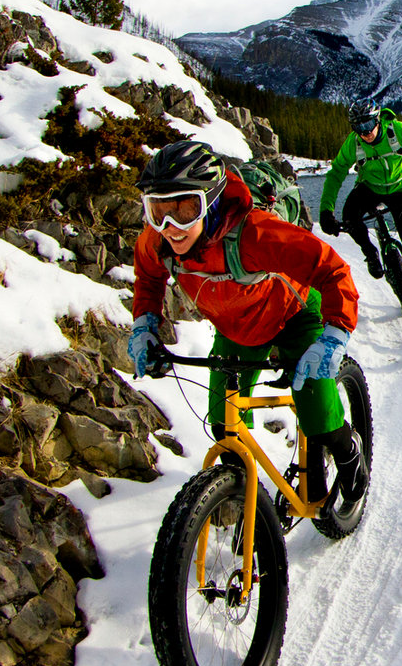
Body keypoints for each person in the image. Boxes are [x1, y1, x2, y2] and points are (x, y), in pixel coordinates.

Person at [127, 139, 366, 510]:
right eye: (158, 211)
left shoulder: (255, 233)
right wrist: (144, 324)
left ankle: (348, 451)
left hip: (294, 315)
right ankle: (255, 511)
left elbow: (331, 268)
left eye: (185, 209)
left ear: (210, 201)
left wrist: (334, 333)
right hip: (236, 329)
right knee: (225, 431)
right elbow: (147, 275)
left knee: (319, 414)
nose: (171, 227)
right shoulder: (157, 241)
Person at [318, 103, 402, 307]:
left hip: (400, 187)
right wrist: (325, 210)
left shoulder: (397, 131)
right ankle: (370, 252)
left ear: (377, 119)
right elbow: (336, 172)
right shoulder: (354, 143)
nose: (365, 132)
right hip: (370, 188)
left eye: (368, 124)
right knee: (349, 216)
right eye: (358, 127)